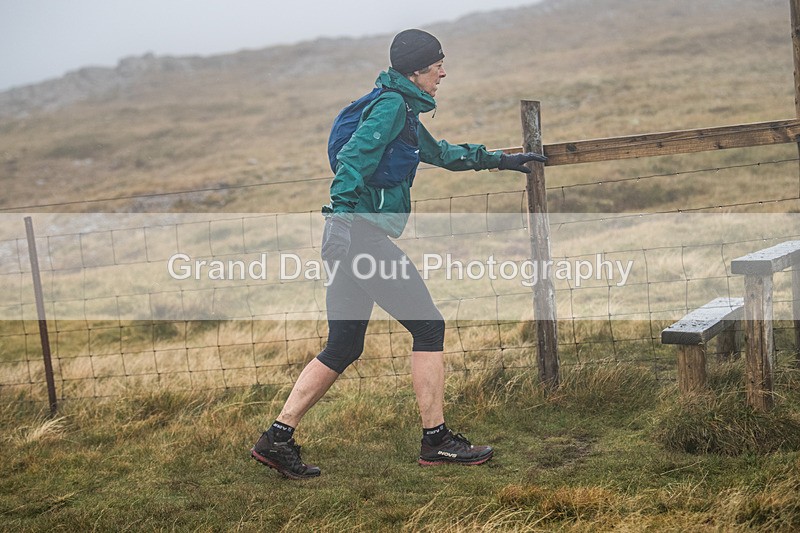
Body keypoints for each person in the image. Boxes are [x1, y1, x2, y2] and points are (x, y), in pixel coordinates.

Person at [251, 29, 546, 479]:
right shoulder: (391, 107)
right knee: (428, 327)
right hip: (360, 237)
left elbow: (439, 153)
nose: (443, 73)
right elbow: (354, 158)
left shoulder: (402, 109)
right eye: (438, 66)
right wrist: (339, 219)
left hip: (354, 237)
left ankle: (276, 438)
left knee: (343, 345)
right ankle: (436, 441)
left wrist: (499, 160)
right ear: (416, 71)